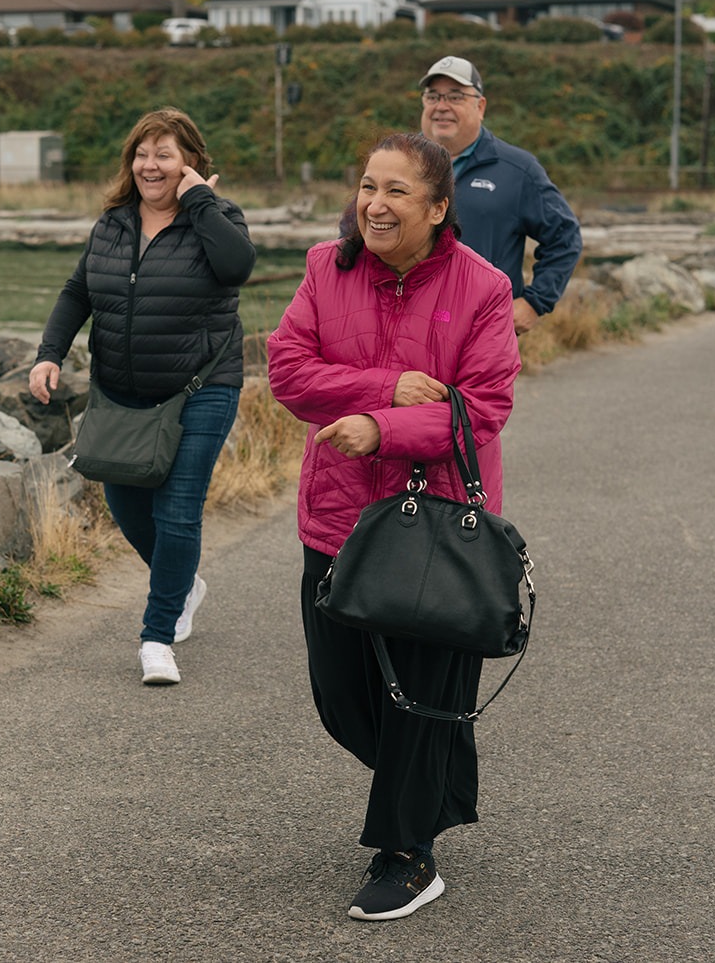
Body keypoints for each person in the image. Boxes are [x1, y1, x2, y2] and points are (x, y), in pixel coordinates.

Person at [268, 132, 520, 921]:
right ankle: (432, 776)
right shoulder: (323, 266)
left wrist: (384, 430)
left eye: (397, 191)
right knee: (341, 693)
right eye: (367, 186)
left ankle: (407, 850)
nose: (374, 204)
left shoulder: (481, 288)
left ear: (439, 208)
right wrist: (382, 390)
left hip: (436, 525)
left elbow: (483, 408)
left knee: (419, 693)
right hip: (340, 516)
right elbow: (287, 370)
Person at [29, 107, 255, 685]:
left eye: (165, 154)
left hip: (200, 386)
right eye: (142, 153)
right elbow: (79, 289)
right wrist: (50, 353)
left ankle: (157, 638)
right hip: (122, 391)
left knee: (176, 510)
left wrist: (200, 201)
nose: (150, 165)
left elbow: (237, 268)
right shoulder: (113, 224)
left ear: (191, 164)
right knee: (125, 507)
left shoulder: (218, 217)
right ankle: (182, 583)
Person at [418, 54, 583, 335]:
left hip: (482, 336)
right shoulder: (399, 163)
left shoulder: (518, 170)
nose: (441, 107)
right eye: (433, 96)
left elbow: (565, 237)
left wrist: (534, 302)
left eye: (455, 97)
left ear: (480, 106)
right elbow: (356, 235)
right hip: (408, 330)